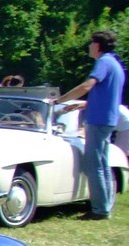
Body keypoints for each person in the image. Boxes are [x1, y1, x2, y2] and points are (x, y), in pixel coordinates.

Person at [54, 30, 125, 221]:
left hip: (98, 121)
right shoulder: (115, 64)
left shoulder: (103, 63)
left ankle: (100, 210)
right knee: (102, 163)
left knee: (94, 165)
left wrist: (60, 100)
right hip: (107, 119)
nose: (89, 47)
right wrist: (82, 104)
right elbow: (107, 97)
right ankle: (105, 206)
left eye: (91, 43)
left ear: (98, 45)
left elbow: (87, 86)